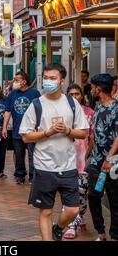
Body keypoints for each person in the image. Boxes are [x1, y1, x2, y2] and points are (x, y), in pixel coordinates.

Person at [19, 63, 89, 241]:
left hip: (68, 165)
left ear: (62, 81)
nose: (48, 81)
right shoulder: (36, 105)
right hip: (44, 166)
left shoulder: (72, 103)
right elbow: (26, 136)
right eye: (46, 78)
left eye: (53, 78)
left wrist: (67, 131)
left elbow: (83, 132)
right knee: (46, 210)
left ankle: (58, 229)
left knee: (73, 210)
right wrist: (46, 132)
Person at [87, 74, 118, 241]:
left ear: (99, 88)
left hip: (112, 163)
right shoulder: (98, 107)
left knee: (114, 199)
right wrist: (87, 155)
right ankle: (100, 232)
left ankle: (114, 234)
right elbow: (95, 134)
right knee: (93, 195)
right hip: (95, 162)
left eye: (93, 87)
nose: (91, 90)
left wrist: (109, 158)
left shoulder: (117, 108)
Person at [63, 84, 95, 239]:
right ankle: (72, 225)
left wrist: (88, 155)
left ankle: (78, 216)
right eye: (71, 94)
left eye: (77, 94)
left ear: (81, 96)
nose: (74, 97)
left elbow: (93, 138)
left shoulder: (89, 113)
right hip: (65, 162)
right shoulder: (61, 113)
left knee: (82, 194)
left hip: (83, 161)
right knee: (68, 194)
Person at [2, 71, 41, 185]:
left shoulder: (35, 93)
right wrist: (4, 127)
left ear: (24, 81)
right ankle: (20, 174)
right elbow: (7, 111)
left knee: (32, 154)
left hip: (32, 131)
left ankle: (33, 176)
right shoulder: (12, 95)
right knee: (18, 154)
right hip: (17, 130)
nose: (14, 82)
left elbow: (40, 110)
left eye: (17, 80)